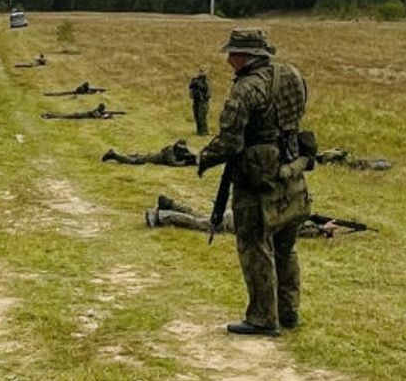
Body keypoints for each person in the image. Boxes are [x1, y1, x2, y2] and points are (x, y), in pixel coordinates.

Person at [196, 28, 311, 336]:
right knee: (286, 246)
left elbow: (230, 142)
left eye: (232, 53)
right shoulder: (292, 75)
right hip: (291, 169)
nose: (228, 59)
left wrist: (203, 158)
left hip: (256, 178)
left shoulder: (246, 89)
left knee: (254, 243)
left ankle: (262, 316)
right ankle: (288, 311)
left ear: (246, 56)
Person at [143, 194, 370, 239]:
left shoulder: (284, 206)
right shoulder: (291, 219)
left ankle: (171, 204)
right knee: (201, 224)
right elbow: (299, 230)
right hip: (242, 222)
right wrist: (323, 231)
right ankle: (162, 216)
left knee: (206, 217)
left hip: (242, 214)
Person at [101, 139, 197, 167]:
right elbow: (172, 163)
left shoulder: (179, 150)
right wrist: (185, 163)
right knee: (131, 161)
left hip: (149, 156)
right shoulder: (170, 151)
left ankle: (114, 154)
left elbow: (187, 154)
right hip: (149, 159)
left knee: (131, 157)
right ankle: (113, 155)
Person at [40, 100, 125, 120]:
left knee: (62, 115)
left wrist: (119, 113)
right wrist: (109, 116)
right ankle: (48, 116)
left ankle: (49, 115)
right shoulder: (95, 112)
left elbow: (108, 112)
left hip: (79, 115)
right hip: (78, 115)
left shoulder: (97, 111)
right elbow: (100, 118)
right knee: (62, 116)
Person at [188, 71, 211, 136]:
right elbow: (191, 87)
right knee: (196, 116)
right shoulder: (195, 81)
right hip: (196, 101)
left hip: (203, 101)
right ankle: (199, 131)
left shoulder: (206, 82)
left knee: (202, 116)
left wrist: (197, 84)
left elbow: (206, 89)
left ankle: (204, 132)